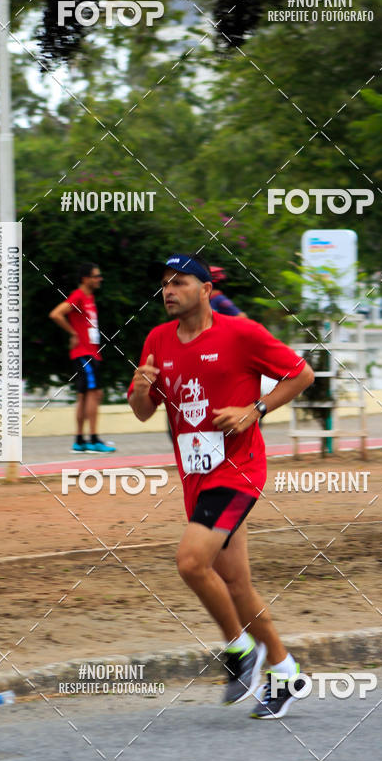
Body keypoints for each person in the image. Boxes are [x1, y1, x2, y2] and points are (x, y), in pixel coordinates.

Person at [128, 253, 314, 718]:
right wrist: (139, 387)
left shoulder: (241, 333)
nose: (169, 290)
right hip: (195, 474)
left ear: (206, 289)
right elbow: (143, 411)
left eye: (180, 282)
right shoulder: (157, 339)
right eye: (165, 283)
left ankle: (239, 651)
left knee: (191, 562)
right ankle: (285, 668)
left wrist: (256, 409)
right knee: (234, 583)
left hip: (239, 469)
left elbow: (300, 374)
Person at [49, 262, 116, 453]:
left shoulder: (89, 297)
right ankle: (93, 440)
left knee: (86, 396)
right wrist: (73, 333)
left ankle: (80, 440)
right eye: (96, 276)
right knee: (93, 395)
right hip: (84, 354)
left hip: (91, 353)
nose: (99, 279)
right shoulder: (78, 296)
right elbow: (56, 314)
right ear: (85, 279)